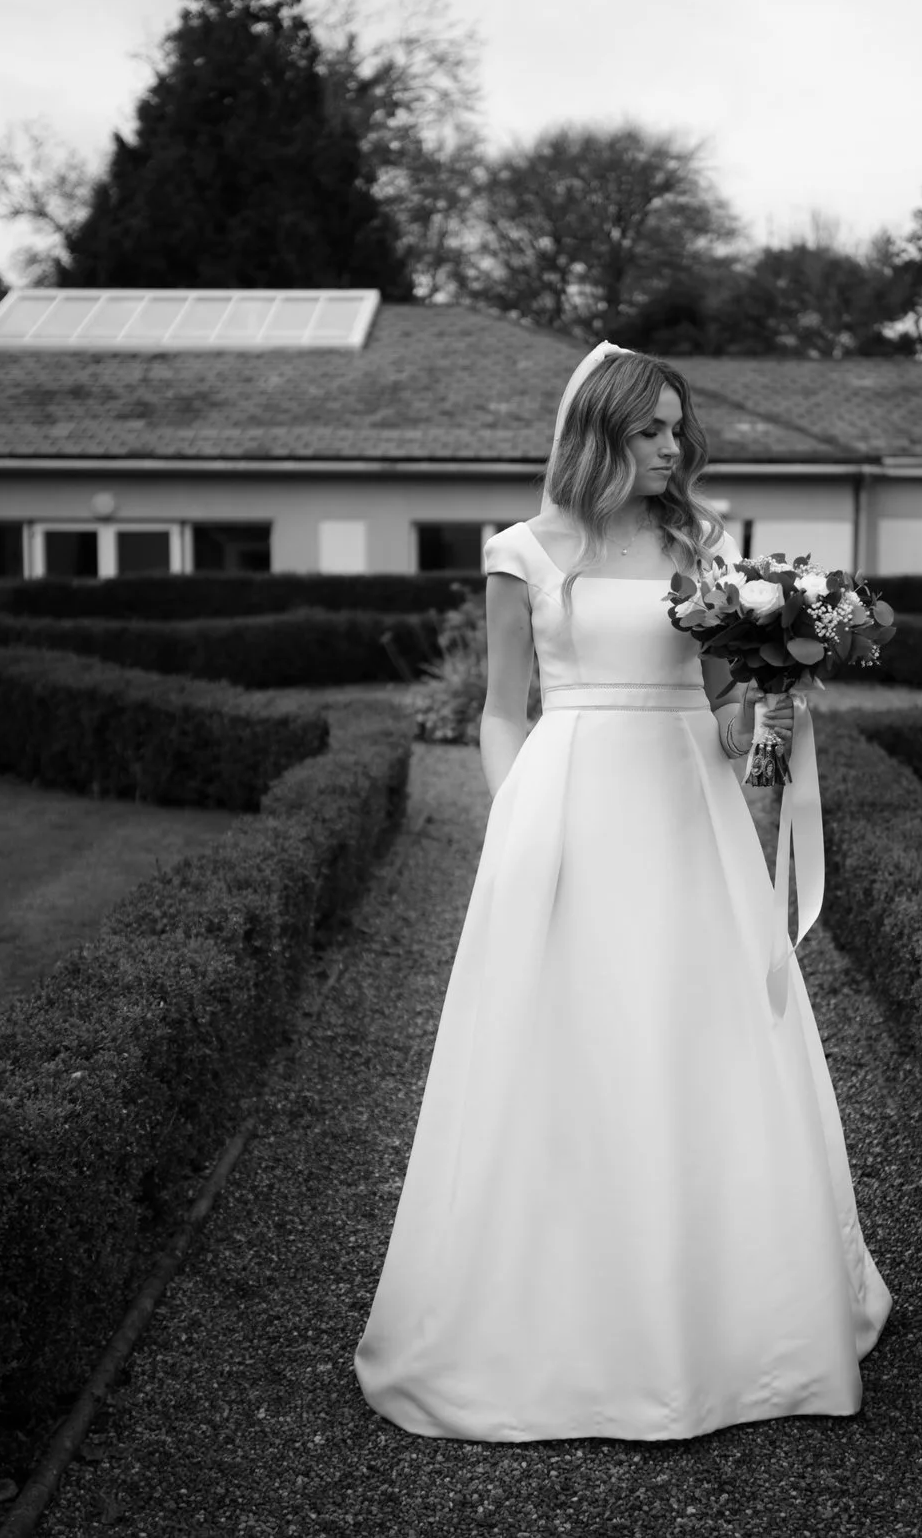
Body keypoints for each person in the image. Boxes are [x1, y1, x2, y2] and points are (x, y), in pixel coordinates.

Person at [353, 341, 892, 1441]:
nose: (670, 446)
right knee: (571, 1037)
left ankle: (736, 1313)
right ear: (595, 432)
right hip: (566, 798)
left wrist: (772, 690)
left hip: (685, 803)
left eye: (676, 427)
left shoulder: (704, 545)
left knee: (703, 1031)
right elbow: (503, 708)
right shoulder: (522, 551)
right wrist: (515, 817)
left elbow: (720, 708)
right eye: (647, 429)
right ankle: (554, 1313)